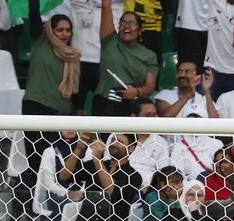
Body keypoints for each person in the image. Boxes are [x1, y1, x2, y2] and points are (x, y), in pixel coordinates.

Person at [22, 0, 81, 186]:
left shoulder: (73, 54)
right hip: (35, 105)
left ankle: (52, 205)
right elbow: (33, 18)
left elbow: (76, 90)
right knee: (35, 159)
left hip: (61, 112)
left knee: (57, 162)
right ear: (50, 30)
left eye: (67, 30)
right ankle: (31, 203)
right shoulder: (41, 41)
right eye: (60, 30)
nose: (64, 34)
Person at [93, 0, 157, 116]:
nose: (126, 26)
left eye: (131, 23)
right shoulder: (110, 41)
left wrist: (136, 92)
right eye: (122, 23)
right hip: (105, 102)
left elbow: (149, 86)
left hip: (131, 105)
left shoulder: (149, 55)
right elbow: (106, 6)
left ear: (140, 30)